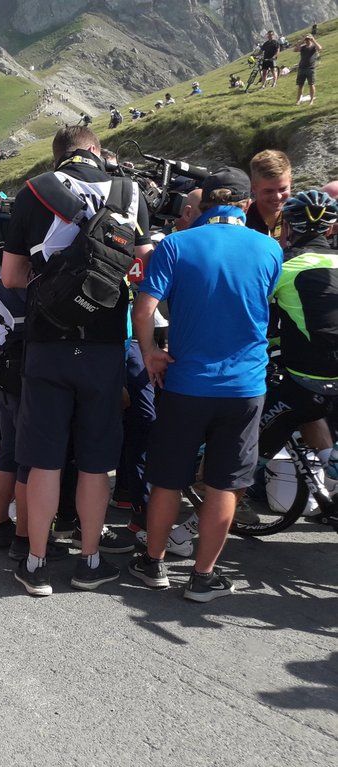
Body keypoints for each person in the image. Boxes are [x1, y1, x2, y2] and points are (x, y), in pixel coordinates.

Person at [1, 126, 153, 596]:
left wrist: (57, 287)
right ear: (95, 152)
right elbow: (141, 270)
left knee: (45, 460)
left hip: (48, 343)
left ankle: (37, 563)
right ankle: (89, 561)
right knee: (95, 461)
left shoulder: (35, 192)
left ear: (59, 155)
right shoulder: (131, 193)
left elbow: (10, 276)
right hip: (106, 345)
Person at [129, 167, 282, 602]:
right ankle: (202, 577)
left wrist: (149, 354)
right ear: (245, 205)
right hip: (245, 386)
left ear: (201, 206)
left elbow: (144, 312)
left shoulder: (176, 245)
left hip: (186, 382)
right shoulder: (269, 248)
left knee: (167, 479)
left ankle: (153, 563)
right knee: (225, 483)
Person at [257, 191, 338, 463]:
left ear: (287, 226)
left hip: (305, 376)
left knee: (241, 445)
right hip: (329, 379)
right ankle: (329, 470)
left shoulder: (284, 265)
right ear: (330, 228)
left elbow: (255, 316)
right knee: (310, 413)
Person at [246, 149, 292, 242]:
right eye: (268, 191)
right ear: (253, 187)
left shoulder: (301, 219)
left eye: (283, 189)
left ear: (290, 181)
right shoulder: (242, 223)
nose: (277, 197)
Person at [294, 34, 323, 105]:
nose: (307, 40)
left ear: (311, 39)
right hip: (302, 68)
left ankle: (311, 100)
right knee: (300, 85)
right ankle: (298, 100)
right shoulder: (303, 47)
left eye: (308, 39)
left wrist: (313, 39)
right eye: (306, 39)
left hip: (310, 69)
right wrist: (302, 40)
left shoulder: (313, 47)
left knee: (311, 84)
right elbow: (295, 49)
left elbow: (320, 48)